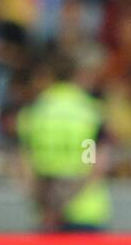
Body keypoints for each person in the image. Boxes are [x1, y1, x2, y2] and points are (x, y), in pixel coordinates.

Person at [17, 52, 111, 231]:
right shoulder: (91, 112)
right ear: (76, 75)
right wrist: (68, 199)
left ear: (48, 76)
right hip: (86, 209)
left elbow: (26, 168)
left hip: (46, 212)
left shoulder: (33, 113)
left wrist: (50, 209)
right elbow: (94, 164)